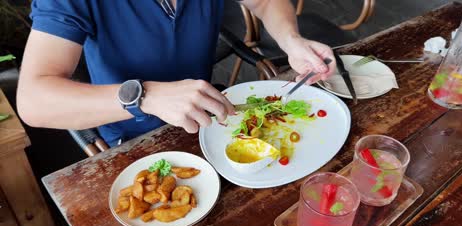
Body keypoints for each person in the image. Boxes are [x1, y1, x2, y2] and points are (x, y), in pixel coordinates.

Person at [17, 0, 336, 147]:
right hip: (135, 137)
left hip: (210, 120)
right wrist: (145, 96)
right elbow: (34, 100)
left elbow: (265, 3)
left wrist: (292, 41)